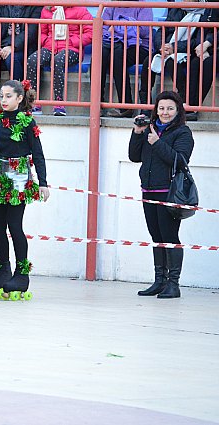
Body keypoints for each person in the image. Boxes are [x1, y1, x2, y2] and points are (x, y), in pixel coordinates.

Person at [0, 80, 49, 300]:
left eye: (8, 96)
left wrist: (43, 182)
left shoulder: (28, 122)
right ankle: (3, 268)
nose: (3, 100)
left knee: (15, 225)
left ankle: (22, 273)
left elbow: (38, 153)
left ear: (20, 98)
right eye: (1, 96)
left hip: (19, 177)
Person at [129, 91, 193, 299]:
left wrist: (157, 142)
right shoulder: (150, 129)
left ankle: (173, 284)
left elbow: (179, 160)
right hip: (148, 191)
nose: (165, 113)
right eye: (162, 108)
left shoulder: (183, 133)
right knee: (156, 237)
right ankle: (159, 281)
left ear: (178, 111)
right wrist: (137, 133)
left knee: (169, 237)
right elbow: (134, 156)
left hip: (169, 193)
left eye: (170, 108)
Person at [139, 1, 218, 121]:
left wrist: (174, 47)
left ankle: (183, 101)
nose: (186, 1)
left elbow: (197, 41)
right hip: (168, 48)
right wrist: (162, 46)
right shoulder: (176, 9)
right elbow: (162, 30)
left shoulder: (206, 12)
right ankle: (145, 106)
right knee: (147, 62)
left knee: (173, 63)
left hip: (187, 50)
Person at [0, 4, 43, 112]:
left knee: (12, 59)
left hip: (23, 46)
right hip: (2, 44)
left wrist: (12, 46)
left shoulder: (34, 6)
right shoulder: (3, 5)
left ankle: (16, 97)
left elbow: (31, 32)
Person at [26, 5, 93, 116]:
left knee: (58, 61)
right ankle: (33, 102)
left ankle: (59, 103)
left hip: (72, 49)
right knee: (33, 60)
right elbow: (42, 33)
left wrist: (72, 41)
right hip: (50, 47)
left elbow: (91, 32)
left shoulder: (80, 10)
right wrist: (47, 41)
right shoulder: (46, 10)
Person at [100, 0, 152, 118]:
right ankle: (97, 103)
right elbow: (102, 28)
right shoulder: (112, 6)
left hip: (139, 46)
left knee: (117, 55)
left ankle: (126, 105)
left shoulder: (143, 6)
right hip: (115, 43)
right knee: (100, 54)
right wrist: (125, 28)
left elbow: (143, 31)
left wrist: (116, 28)